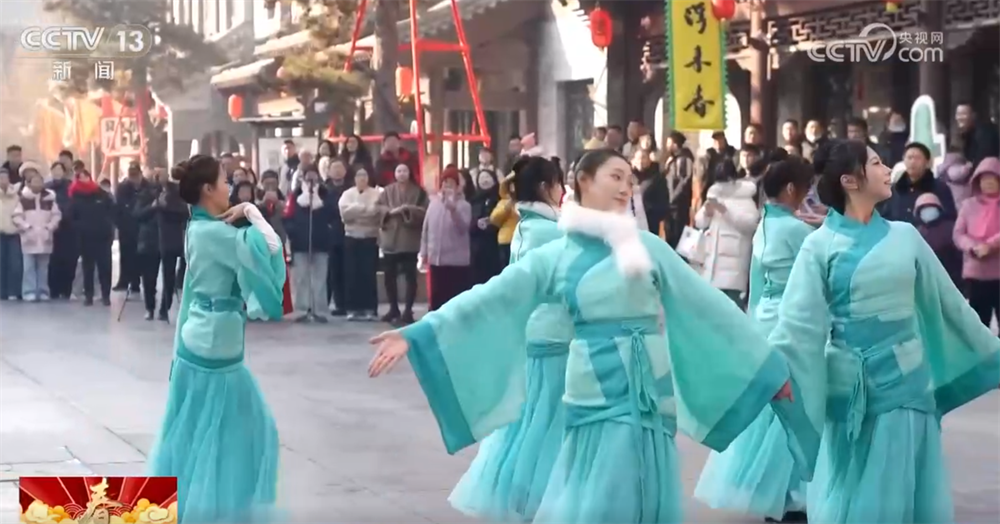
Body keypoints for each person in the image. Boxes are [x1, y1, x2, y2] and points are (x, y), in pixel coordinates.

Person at [369, 148, 793, 524]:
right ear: (583, 182)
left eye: (630, 179)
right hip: (595, 386)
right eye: (615, 176)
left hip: (650, 389)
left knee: (644, 489)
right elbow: (492, 297)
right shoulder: (557, 253)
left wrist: (765, 364)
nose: (626, 186)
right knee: (602, 490)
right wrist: (420, 333)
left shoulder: (648, 246)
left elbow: (708, 305)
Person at [767, 139, 1000, 524]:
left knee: (903, 493)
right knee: (856, 494)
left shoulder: (906, 236)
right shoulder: (819, 246)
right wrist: (772, 371)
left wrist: (993, 350)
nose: (888, 169)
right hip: (850, 388)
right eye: (876, 163)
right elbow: (796, 324)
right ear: (850, 180)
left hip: (908, 382)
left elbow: (953, 307)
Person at [147, 154, 285, 523]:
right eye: (225, 181)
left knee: (197, 434)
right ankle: (211, 511)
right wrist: (252, 212)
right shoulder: (219, 235)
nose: (229, 188)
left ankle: (197, 506)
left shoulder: (197, 227)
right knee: (242, 434)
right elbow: (272, 249)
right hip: (216, 344)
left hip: (200, 337)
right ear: (208, 189)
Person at [446, 156, 571, 522]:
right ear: (546, 187)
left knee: (529, 418)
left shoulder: (526, 226)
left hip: (536, 332)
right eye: (559, 183)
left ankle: (521, 496)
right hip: (554, 334)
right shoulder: (550, 232)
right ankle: (538, 498)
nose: (563, 190)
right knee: (547, 421)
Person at [695, 154, 816, 523]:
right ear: (792, 188)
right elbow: (812, 285)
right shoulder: (797, 231)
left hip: (765, 319)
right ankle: (793, 497)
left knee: (772, 408)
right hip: (793, 322)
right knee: (798, 408)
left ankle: (770, 495)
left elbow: (757, 281)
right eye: (806, 187)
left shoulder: (766, 224)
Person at [694, 161, 760, 307]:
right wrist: (707, 213)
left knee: (732, 307)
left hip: (734, 266)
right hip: (712, 264)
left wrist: (725, 211)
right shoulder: (715, 195)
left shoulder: (745, 199)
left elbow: (751, 225)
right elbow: (699, 223)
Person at [953, 157, 1000, 334]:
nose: (988, 182)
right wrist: (972, 247)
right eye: (984, 179)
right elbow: (958, 234)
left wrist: (990, 246)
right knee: (979, 325)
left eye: (993, 178)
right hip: (976, 273)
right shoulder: (968, 205)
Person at [377, 163, 427, 325]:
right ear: (395, 173)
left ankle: (408, 310)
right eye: (398, 171)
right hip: (391, 238)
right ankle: (393, 308)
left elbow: (424, 211)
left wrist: (408, 210)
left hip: (409, 238)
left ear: (409, 172)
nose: (402, 174)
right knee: (389, 276)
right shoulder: (387, 191)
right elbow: (379, 208)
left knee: (410, 276)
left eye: (405, 170)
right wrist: (390, 212)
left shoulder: (419, 192)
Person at [284, 167, 335, 320]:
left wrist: (328, 230)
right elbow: (288, 216)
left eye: (314, 177)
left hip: (321, 241)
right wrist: (293, 233)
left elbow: (333, 214)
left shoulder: (326, 194)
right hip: (300, 242)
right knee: (301, 278)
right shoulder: (295, 196)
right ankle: (302, 309)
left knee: (320, 278)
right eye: (308, 177)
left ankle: (319, 309)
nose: (311, 180)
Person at [419, 165, 472, 311]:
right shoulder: (433, 203)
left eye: (451, 183)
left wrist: (453, 209)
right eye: (445, 182)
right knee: (437, 297)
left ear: (458, 186)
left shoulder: (464, 205)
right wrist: (423, 252)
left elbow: (463, 227)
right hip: (436, 259)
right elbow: (426, 229)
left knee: (454, 298)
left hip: (456, 261)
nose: (447, 186)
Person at [339, 167, 382, 321]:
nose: (362, 178)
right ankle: (352, 308)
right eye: (359, 175)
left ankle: (370, 308)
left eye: (365, 175)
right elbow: (345, 214)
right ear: (354, 178)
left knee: (368, 273)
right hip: (351, 236)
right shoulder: (347, 194)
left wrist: (356, 211)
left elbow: (375, 213)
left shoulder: (376, 194)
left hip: (370, 236)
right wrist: (363, 209)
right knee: (351, 273)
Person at [12, 169, 61, 302]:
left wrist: (50, 227)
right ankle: (29, 291)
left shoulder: (49, 199)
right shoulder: (23, 200)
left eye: (40, 181)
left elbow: (56, 215)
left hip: (45, 238)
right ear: (28, 183)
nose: (38, 184)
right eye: (35, 181)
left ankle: (43, 291)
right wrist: (26, 227)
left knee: (43, 267)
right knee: (28, 267)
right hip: (29, 238)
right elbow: (16, 217)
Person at [69, 169, 115, 306]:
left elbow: (112, 211)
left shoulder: (101, 194)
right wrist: (80, 227)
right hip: (85, 237)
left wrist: (108, 227)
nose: (84, 179)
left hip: (103, 237)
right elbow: (71, 217)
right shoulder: (75, 196)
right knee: (87, 268)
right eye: (80, 177)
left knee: (105, 267)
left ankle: (105, 295)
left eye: (86, 176)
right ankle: (88, 295)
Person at [880, 142, 957, 224]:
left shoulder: (940, 188)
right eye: (909, 157)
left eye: (917, 158)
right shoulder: (895, 189)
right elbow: (886, 217)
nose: (913, 162)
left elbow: (950, 218)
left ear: (927, 162)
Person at [153, 167, 189, 321]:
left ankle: (167, 307)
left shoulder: (177, 191)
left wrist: (164, 206)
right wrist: (156, 205)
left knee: (175, 275)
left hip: (176, 237)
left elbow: (184, 211)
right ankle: (159, 307)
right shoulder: (152, 191)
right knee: (163, 274)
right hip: (160, 238)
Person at [133, 174, 163, 320]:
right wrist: (152, 207)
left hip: (167, 239)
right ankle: (150, 307)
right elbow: (137, 214)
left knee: (169, 277)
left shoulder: (172, 195)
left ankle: (164, 309)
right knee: (149, 278)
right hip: (149, 241)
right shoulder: (145, 196)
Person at [323, 159, 350, 316]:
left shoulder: (350, 189)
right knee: (331, 270)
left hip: (348, 232)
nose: (338, 171)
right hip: (330, 233)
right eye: (334, 168)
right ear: (329, 171)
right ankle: (327, 302)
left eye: (340, 167)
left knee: (346, 269)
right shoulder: (324, 190)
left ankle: (344, 303)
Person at [114, 162, 147, 293]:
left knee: (142, 257)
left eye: (136, 175)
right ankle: (124, 281)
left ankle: (138, 282)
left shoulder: (147, 186)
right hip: (126, 227)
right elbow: (118, 208)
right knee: (126, 255)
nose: (134, 179)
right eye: (131, 176)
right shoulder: (122, 188)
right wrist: (120, 224)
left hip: (143, 226)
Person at [46, 161, 76, 299]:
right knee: (52, 260)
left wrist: (64, 215)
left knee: (68, 259)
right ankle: (53, 289)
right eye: (55, 169)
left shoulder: (71, 186)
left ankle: (66, 289)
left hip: (68, 228)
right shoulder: (46, 187)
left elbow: (73, 204)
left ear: (64, 172)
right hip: (51, 229)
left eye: (60, 169)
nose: (57, 172)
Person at [469, 167, 501, 285]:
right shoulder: (474, 200)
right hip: (477, 248)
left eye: (487, 177)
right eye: (481, 178)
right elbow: (468, 221)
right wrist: (476, 224)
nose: (485, 180)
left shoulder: (500, 199)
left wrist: (491, 222)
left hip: (494, 246)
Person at [0, 167, 21, 300]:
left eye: (5, 177)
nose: (3, 180)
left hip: (14, 232)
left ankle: (14, 291)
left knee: (15, 264)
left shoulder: (16, 194)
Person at [489, 174, 518, 269]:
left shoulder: (529, 202)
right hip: (507, 241)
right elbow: (494, 219)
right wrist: (506, 208)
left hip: (524, 240)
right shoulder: (504, 202)